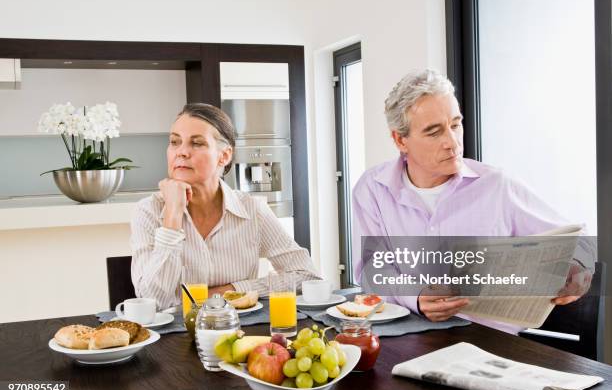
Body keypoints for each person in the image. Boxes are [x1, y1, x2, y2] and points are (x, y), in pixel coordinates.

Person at [352, 69, 594, 334]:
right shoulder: (372, 189)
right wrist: (416, 297)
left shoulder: (496, 185)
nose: (452, 142)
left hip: (492, 346)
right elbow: (371, 271)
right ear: (400, 140)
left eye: (455, 125)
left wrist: (578, 270)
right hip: (410, 339)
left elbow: (576, 238)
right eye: (434, 132)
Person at [131, 103, 319, 309]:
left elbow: (306, 276)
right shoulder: (148, 211)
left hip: (238, 332)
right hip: (175, 338)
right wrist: (173, 216)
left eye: (197, 143)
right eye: (175, 142)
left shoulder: (252, 210)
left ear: (225, 155)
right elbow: (152, 302)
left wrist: (229, 290)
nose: (182, 152)